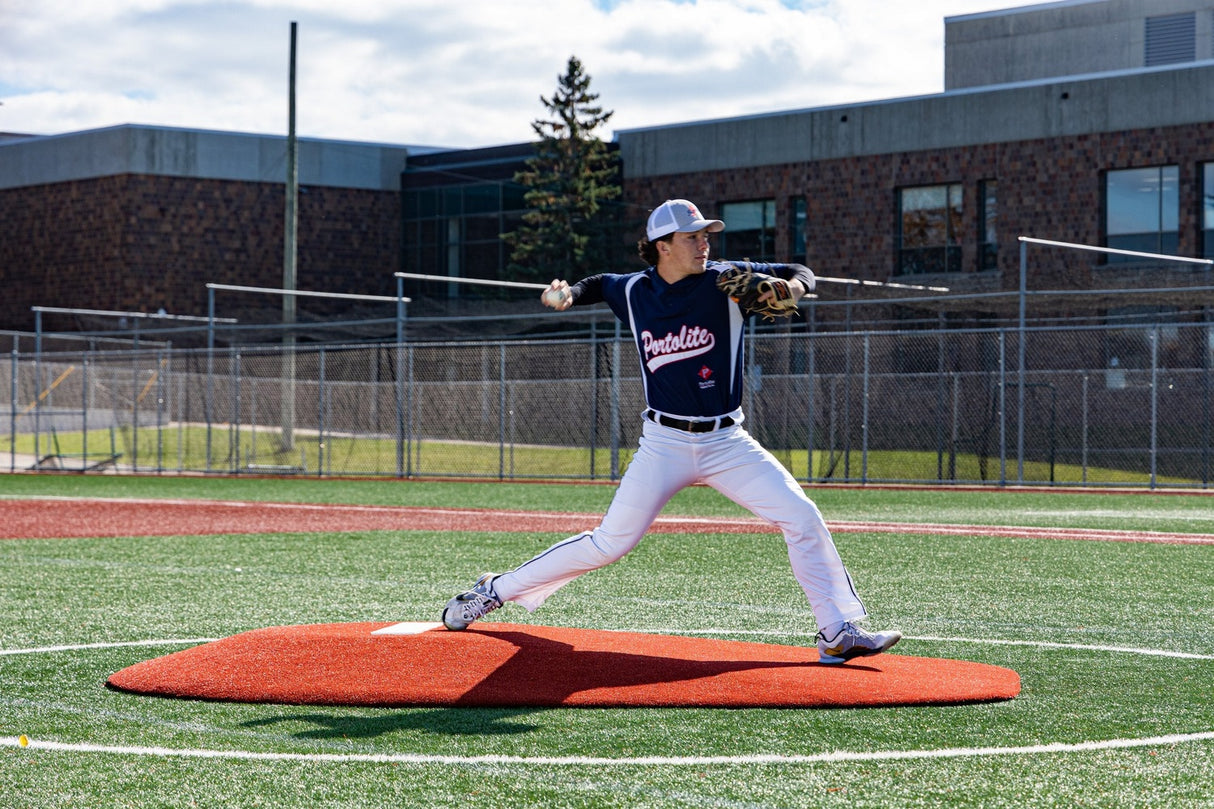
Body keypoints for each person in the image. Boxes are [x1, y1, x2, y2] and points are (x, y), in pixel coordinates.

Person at [442, 199, 901, 664]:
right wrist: (571, 294)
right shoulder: (636, 291)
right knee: (610, 543)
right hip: (664, 442)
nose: (705, 243)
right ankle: (493, 591)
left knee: (801, 518)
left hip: (727, 441)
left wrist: (796, 286)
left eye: (706, 235)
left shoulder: (724, 279)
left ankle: (836, 632)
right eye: (693, 236)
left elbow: (798, 268)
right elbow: (601, 283)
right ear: (662, 246)